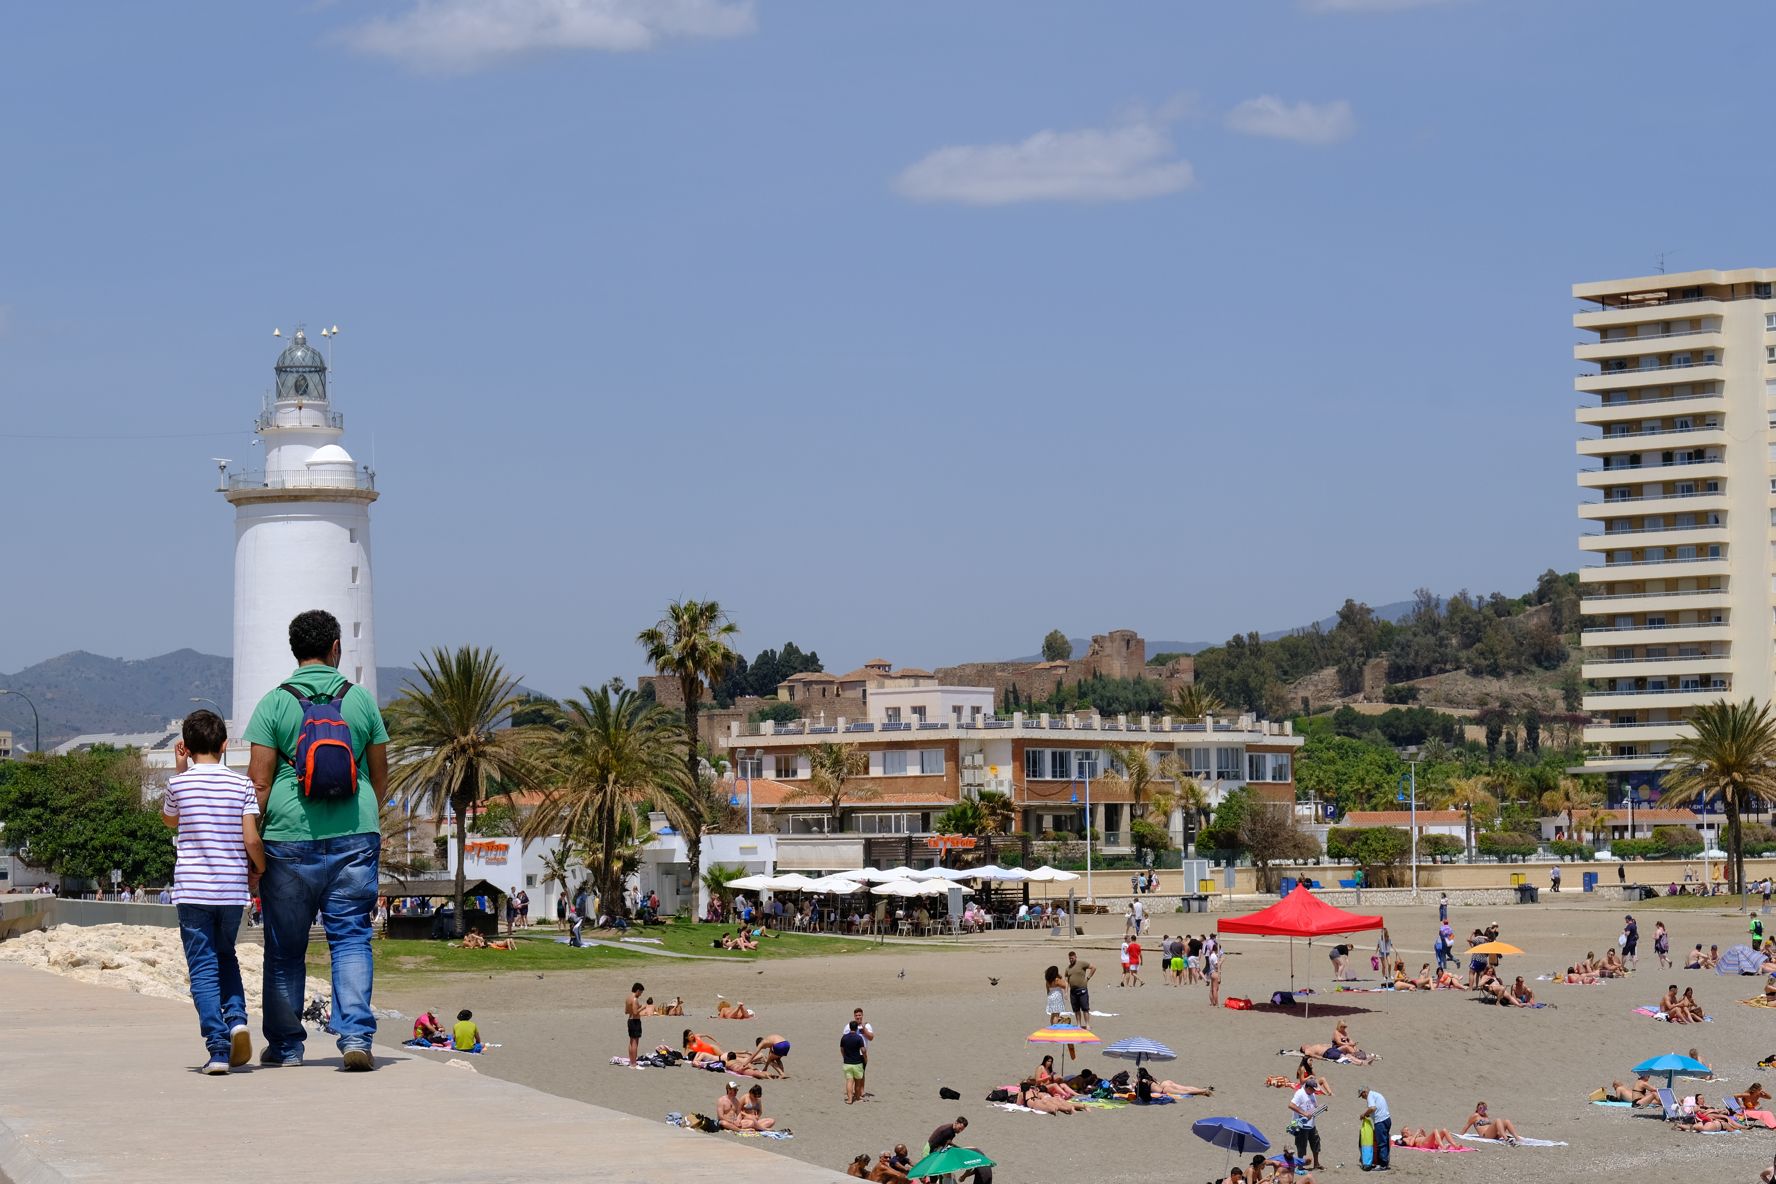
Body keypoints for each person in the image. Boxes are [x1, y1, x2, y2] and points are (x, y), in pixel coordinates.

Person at [245, 610, 389, 1072]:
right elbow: (380, 774)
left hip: (288, 837)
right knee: (350, 938)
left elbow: (259, 782)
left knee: (286, 946)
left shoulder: (273, 703)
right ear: (336, 648)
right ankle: (355, 1039)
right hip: (355, 832)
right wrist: (365, 814)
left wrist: (253, 840)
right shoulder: (361, 700)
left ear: (294, 651)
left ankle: (287, 1047)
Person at [163, 710, 264, 1074]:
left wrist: (179, 771)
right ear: (225, 745)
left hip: (192, 892)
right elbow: (251, 838)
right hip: (230, 891)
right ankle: (237, 1019)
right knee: (227, 956)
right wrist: (260, 869)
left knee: (203, 968)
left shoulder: (179, 785)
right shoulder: (241, 786)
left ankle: (218, 1049)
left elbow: (170, 820)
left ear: (187, 748)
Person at [1288, 1073, 1324, 1170]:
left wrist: (1320, 1109)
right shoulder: (1300, 1093)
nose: (1314, 1091)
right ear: (1308, 1087)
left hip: (1311, 1124)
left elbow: (1314, 1106)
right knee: (1301, 1146)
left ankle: (1316, 1164)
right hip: (1301, 1125)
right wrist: (1304, 1113)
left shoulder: (1311, 1093)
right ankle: (1300, 1166)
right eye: (1313, 1089)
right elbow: (1291, 1105)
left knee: (1316, 1143)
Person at [1358, 1086, 1391, 1171]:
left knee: (1381, 1143)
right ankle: (1385, 1162)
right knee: (1385, 1142)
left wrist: (1364, 1114)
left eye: (1362, 1096)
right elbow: (1376, 1108)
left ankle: (1383, 1165)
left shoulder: (1370, 1096)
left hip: (1380, 1122)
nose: (1363, 1098)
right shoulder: (1375, 1094)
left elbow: (1372, 1108)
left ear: (1365, 1092)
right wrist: (1369, 1114)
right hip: (1387, 1119)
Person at [1065, 951, 1095, 1028]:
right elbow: (1066, 981)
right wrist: (1066, 992)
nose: (1071, 960)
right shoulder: (1068, 969)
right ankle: (1078, 1024)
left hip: (1082, 989)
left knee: (1085, 1008)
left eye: (1072, 958)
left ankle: (1087, 1024)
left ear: (1075, 957)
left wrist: (1088, 978)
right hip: (1073, 991)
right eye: (1070, 959)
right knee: (1076, 1009)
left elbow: (1093, 968)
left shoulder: (1081, 963)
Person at [840, 1019, 868, 1104]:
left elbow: (841, 1049)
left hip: (847, 1062)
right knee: (858, 1082)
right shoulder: (858, 1038)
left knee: (849, 1081)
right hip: (857, 1063)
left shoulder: (844, 1037)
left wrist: (844, 1056)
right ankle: (858, 1097)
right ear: (856, 1028)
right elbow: (863, 1050)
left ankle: (849, 1099)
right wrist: (865, 1058)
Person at [625, 982, 645, 1066]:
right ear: (637, 990)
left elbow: (626, 1011)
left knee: (631, 1042)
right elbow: (635, 1012)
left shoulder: (628, 998)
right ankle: (633, 1063)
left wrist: (638, 1006)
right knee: (635, 1043)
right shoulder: (634, 999)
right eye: (640, 992)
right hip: (635, 1021)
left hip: (630, 1020)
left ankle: (631, 1061)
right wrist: (642, 1008)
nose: (640, 994)